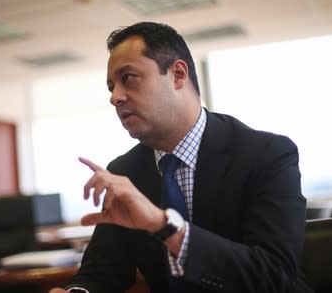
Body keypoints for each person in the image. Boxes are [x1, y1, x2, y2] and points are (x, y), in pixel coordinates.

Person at [49, 22, 313, 293]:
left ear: (177, 74)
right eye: (110, 87)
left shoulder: (266, 154)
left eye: (127, 77)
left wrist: (164, 226)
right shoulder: (124, 171)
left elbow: (275, 275)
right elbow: (102, 272)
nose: (115, 97)